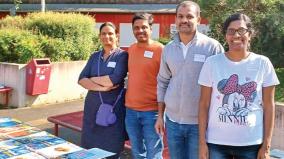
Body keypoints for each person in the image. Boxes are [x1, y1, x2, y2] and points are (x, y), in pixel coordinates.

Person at [198, 13, 280, 159]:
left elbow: (269, 106)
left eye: (241, 30)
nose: (236, 35)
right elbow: (204, 104)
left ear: (250, 34)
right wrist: (202, 143)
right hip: (216, 144)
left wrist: (266, 146)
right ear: (225, 35)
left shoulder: (262, 63)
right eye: (231, 31)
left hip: (251, 144)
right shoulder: (212, 63)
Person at [155, 1, 224, 159]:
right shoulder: (168, 49)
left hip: (199, 124)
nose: (184, 20)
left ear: (198, 20)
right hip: (172, 122)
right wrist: (160, 115)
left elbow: (220, 87)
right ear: (176, 19)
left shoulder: (212, 48)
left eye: (189, 16)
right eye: (180, 16)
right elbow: (163, 81)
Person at [78, 22, 128, 159]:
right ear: (100, 36)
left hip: (113, 108)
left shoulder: (122, 56)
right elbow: (81, 79)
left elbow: (114, 79)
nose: (107, 36)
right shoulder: (94, 56)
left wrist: (92, 79)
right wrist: (103, 87)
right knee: (90, 149)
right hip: (92, 108)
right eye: (103, 33)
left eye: (110, 33)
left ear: (117, 36)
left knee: (111, 148)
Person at [125, 13, 164, 159]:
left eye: (144, 27)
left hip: (152, 112)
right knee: (137, 151)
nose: (140, 31)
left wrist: (161, 114)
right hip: (130, 111)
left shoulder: (161, 50)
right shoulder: (131, 48)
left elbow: (167, 82)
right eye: (136, 28)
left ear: (151, 29)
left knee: (154, 154)